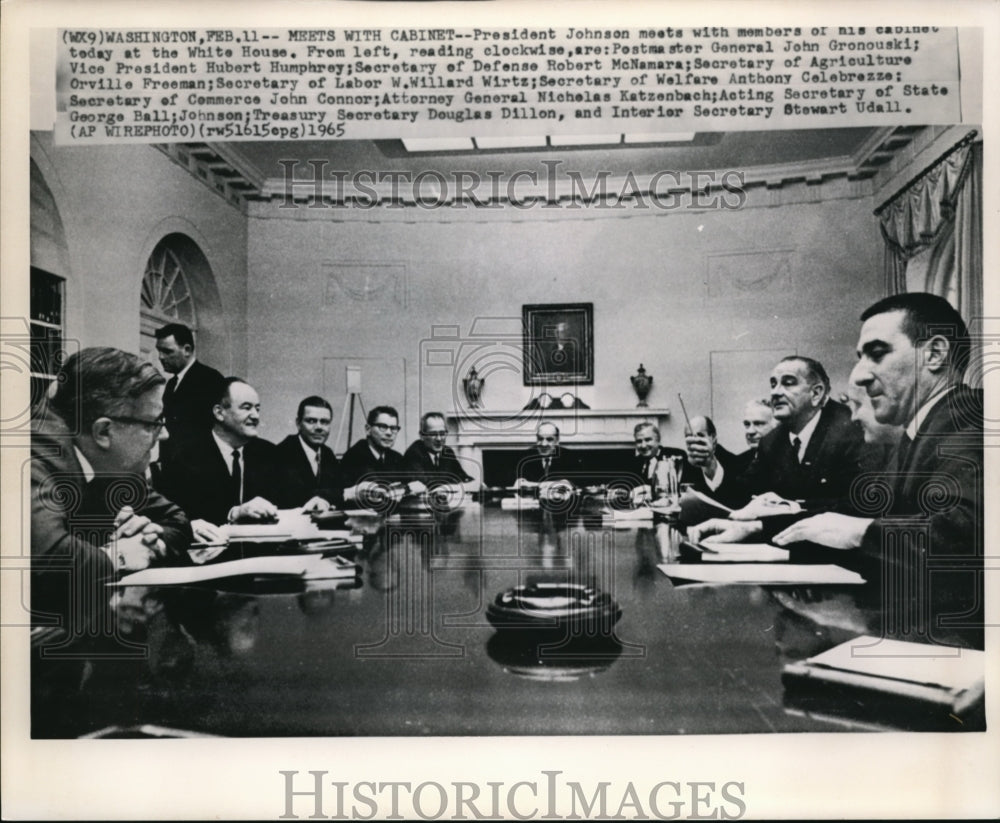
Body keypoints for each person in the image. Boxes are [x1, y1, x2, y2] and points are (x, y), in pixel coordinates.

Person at [770, 293, 983, 647]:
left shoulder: (968, 424)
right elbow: (853, 514)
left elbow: (968, 538)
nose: (860, 375)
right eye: (860, 357)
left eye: (878, 353)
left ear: (935, 354)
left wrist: (861, 531)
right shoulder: (924, 431)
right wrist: (760, 524)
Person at [31, 347, 192, 635]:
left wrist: (147, 538)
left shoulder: (109, 461)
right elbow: (47, 557)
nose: (164, 434)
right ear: (104, 432)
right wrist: (117, 554)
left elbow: (177, 521)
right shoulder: (34, 453)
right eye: (154, 423)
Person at [716, 356, 864, 513]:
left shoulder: (853, 430)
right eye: (773, 384)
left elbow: (861, 503)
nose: (775, 392)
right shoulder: (771, 441)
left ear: (816, 393)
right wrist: (711, 467)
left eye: (788, 383)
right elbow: (743, 491)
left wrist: (791, 508)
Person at [157, 377, 281, 540]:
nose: (256, 416)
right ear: (219, 412)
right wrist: (234, 513)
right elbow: (182, 517)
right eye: (247, 408)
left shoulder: (269, 453)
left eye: (257, 409)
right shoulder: (184, 456)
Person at [154, 323, 224, 458]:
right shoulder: (171, 384)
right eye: (159, 351)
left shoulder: (210, 378)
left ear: (187, 350)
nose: (161, 357)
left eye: (167, 351)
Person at [274, 396, 344, 511]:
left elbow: (339, 487)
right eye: (311, 421)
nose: (319, 427)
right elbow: (294, 495)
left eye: (325, 422)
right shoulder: (283, 453)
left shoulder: (328, 454)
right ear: (298, 423)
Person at [402, 412, 473, 489]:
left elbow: (462, 477)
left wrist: (474, 484)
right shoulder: (413, 453)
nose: (439, 439)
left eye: (442, 433)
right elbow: (426, 484)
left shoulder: (447, 451)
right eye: (433, 434)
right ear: (422, 436)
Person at [514, 422, 581, 485]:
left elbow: (577, 483)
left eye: (549, 439)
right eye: (540, 439)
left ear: (557, 441)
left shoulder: (570, 457)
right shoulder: (525, 457)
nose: (544, 444)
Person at [731, 399, 778, 476]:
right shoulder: (738, 463)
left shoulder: (792, 460)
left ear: (776, 426)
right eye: (747, 424)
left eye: (758, 424)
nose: (750, 431)